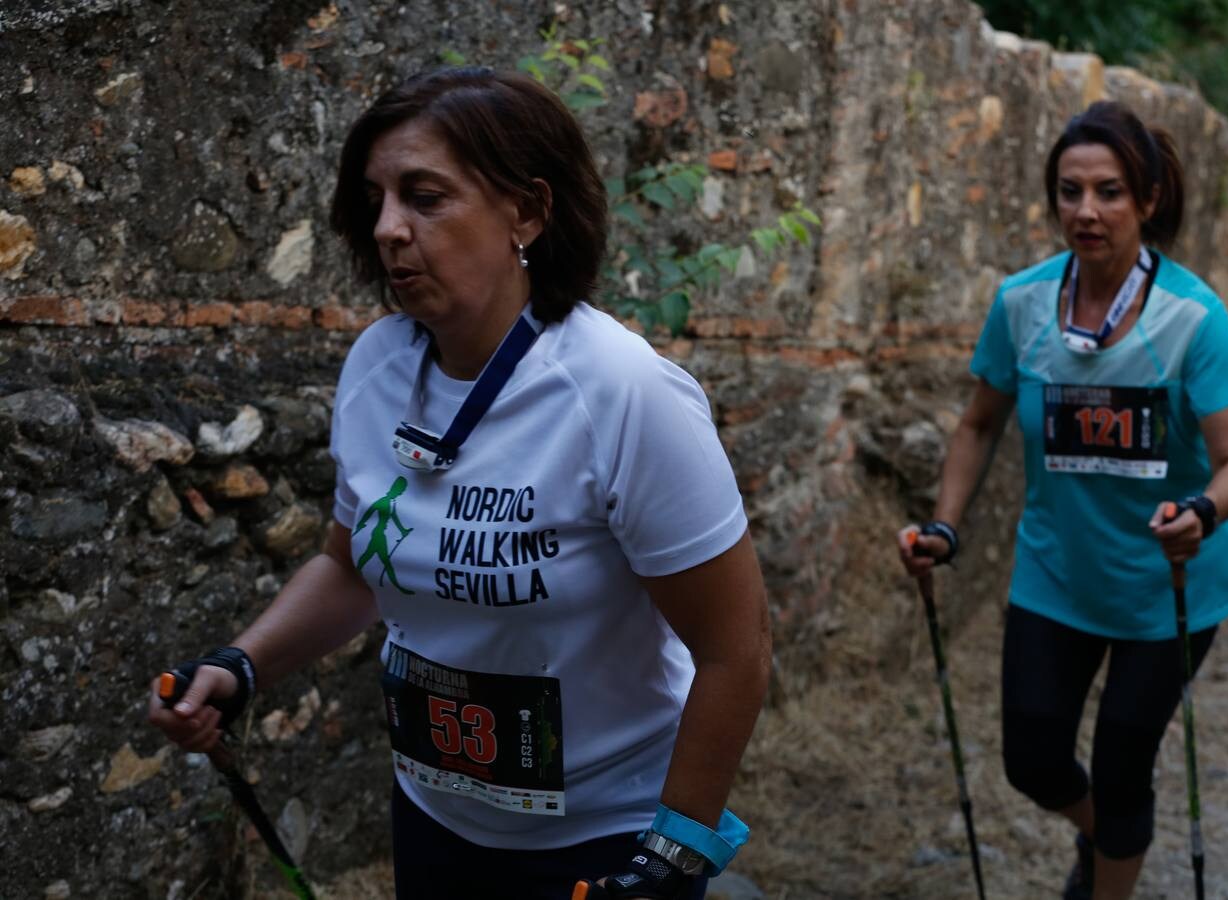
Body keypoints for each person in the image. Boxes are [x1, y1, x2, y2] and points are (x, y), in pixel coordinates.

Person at [148, 67, 771, 900]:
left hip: (607, 837)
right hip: (436, 813)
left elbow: (736, 648)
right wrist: (243, 665)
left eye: (425, 197)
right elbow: (350, 565)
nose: (388, 229)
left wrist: (674, 854)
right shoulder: (376, 366)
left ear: (528, 212)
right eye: (375, 199)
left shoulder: (622, 391)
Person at [896, 100, 1228, 900]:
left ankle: (1110, 870)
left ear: (1148, 200)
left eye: (1110, 192)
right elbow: (979, 424)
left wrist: (1201, 514)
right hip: (1056, 574)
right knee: (1032, 759)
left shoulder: (1194, 318)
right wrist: (944, 526)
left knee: (1127, 760)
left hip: (1167, 590)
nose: (1086, 211)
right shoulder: (1022, 303)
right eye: (1069, 191)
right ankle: (1113, 839)